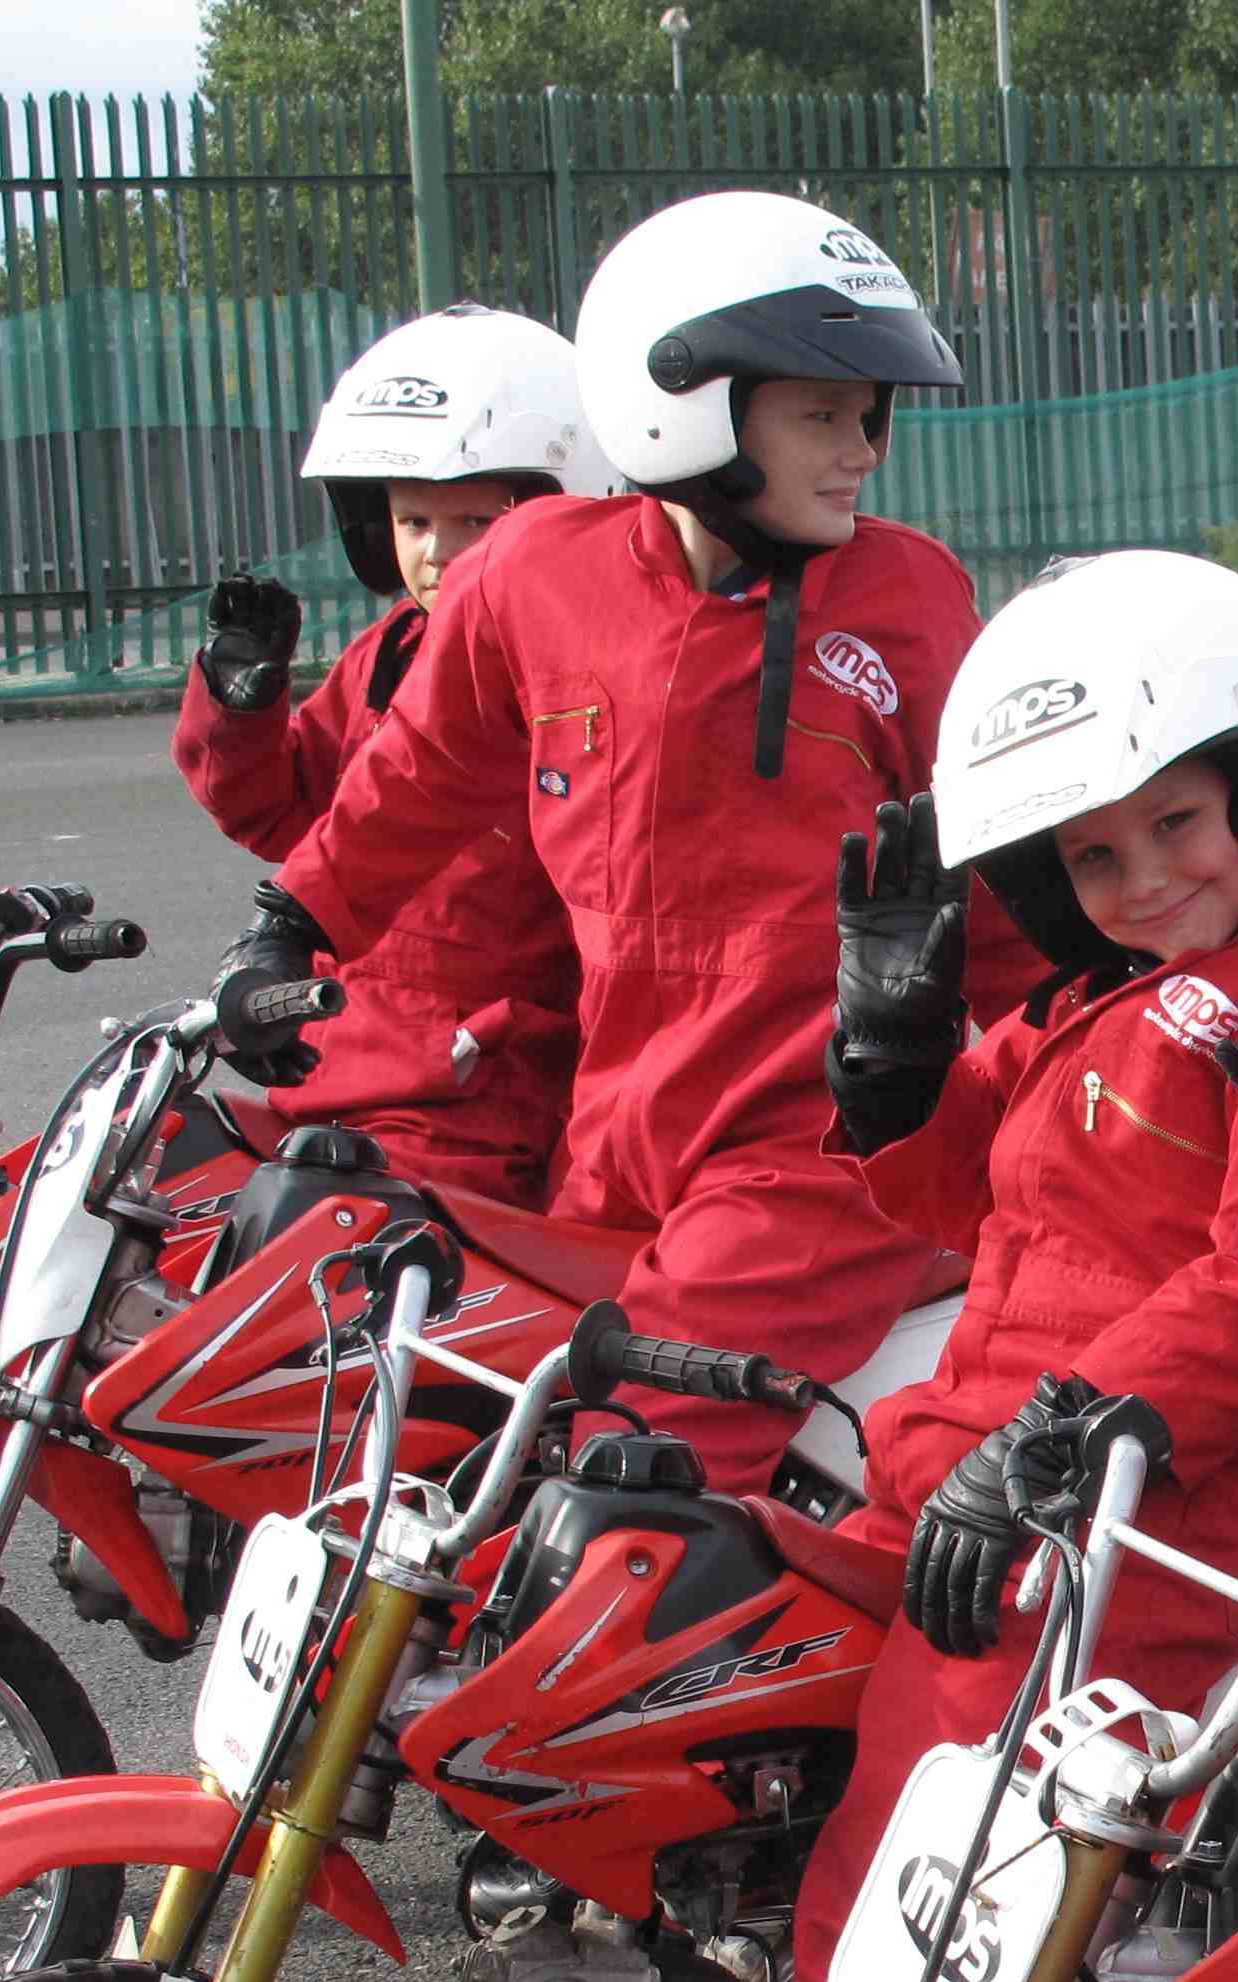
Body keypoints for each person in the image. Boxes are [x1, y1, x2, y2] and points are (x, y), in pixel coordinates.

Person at [218, 192, 1005, 1491]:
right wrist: (290, 928)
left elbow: (1021, 900)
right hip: (614, 1138)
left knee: (619, 1474)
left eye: (872, 412)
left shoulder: (912, 603)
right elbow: (413, 777)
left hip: (818, 1162)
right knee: (450, 1447)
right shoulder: (535, 574)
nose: (863, 447)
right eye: (823, 413)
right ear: (681, 402)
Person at [785, 548, 1238, 1978]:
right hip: (973, 1466)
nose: (1144, 880)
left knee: (915, 1875)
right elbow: (952, 1201)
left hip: (1161, 1509)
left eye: (1175, 823)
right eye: (1094, 857)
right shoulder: (1096, 997)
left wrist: (1046, 1445)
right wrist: (889, 1058)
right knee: (708, 1641)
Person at [169, 305, 606, 1206]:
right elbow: (283, 815)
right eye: (413, 522)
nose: (440, 554)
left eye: (476, 522)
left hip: (478, 1088)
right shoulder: (392, 651)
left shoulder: (585, 675)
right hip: (332, 1061)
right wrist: (238, 707)